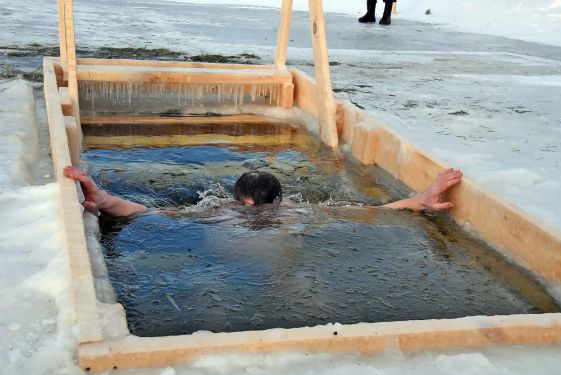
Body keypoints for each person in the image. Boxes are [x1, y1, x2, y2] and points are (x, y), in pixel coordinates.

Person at [62, 165, 462, 218]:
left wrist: (106, 198)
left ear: (236, 200)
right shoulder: (300, 212)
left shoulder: (218, 211)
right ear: (282, 199)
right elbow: (374, 210)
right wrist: (421, 199)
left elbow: (150, 213)